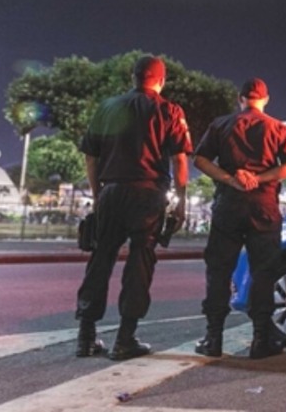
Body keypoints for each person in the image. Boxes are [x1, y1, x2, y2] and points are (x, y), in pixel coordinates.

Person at [74, 55, 192, 360]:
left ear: (133, 77)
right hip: (149, 194)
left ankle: (86, 337)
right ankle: (125, 338)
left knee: (100, 259)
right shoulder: (169, 110)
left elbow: (91, 155)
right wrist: (181, 202)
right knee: (140, 263)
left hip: (112, 191)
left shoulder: (108, 107)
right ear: (161, 81)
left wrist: (98, 193)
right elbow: (180, 158)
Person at [192, 78, 286, 359]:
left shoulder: (221, 124)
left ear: (240, 99)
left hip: (228, 204)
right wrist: (259, 179)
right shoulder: (278, 128)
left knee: (219, 270)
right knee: (264, 272)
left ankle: (213, 338)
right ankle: (261, 340)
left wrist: (231, 179)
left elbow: (200, 160)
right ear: (265, 100)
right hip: (263, 207)